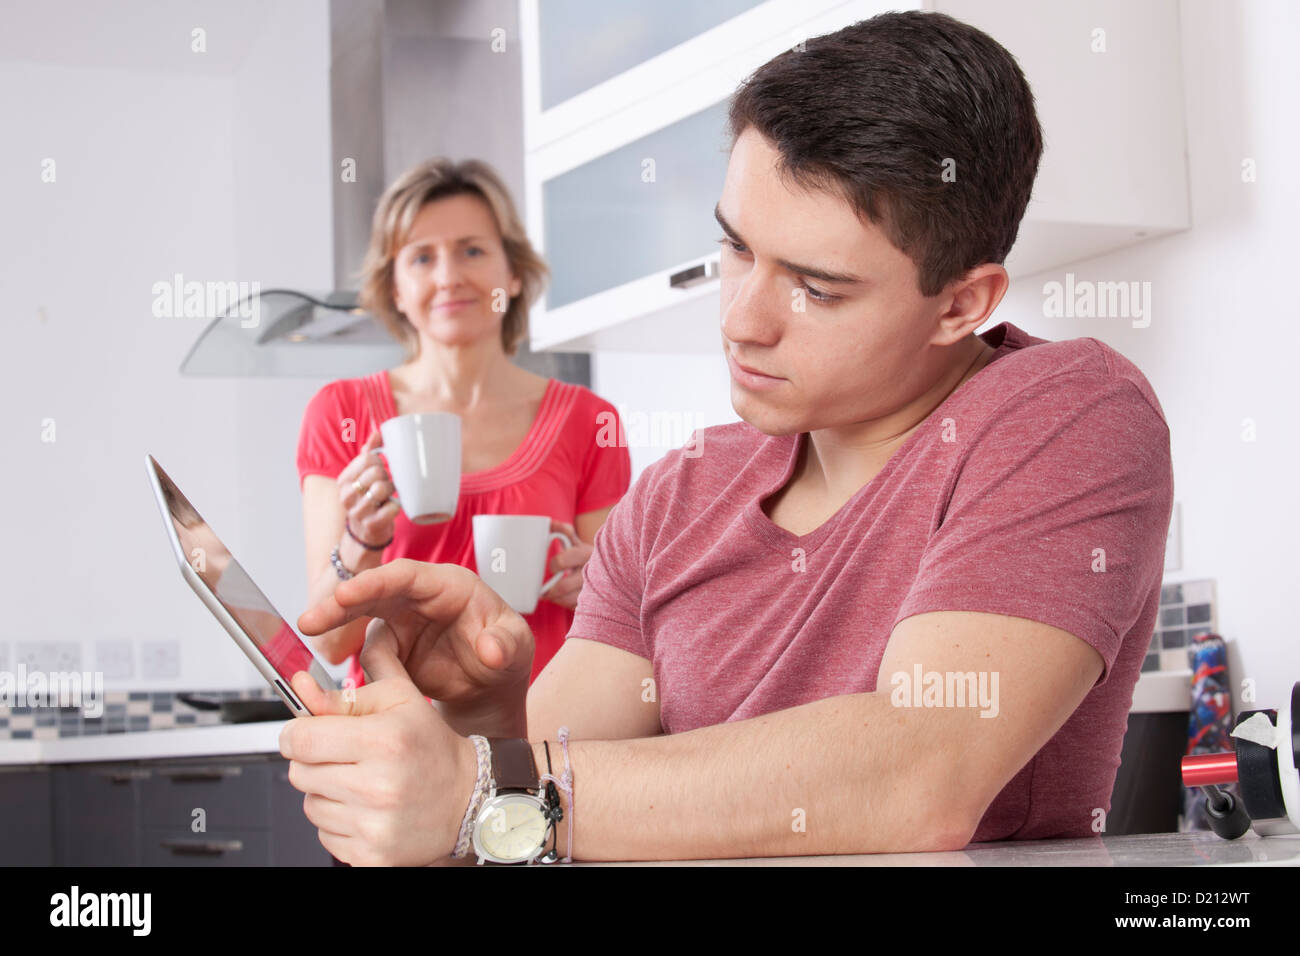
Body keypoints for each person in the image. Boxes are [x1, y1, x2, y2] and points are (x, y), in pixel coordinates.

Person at [280, 11, 1174, 865]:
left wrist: (482, 789)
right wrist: (483, 715)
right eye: (737, 251)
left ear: (962, 304)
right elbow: (525, 797)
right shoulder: (680, 492)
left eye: (815, 288)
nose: (743, 322)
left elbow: (920, 772)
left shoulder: (1067, 414)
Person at [296, 158, 631, 693]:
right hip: (401, 745)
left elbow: (618, 630)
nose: (449, 276)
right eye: (422, 257)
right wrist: (362, 538)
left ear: (513, 273)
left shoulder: (590, 421)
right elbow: (331, 643)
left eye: (472, 250)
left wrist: (597, 585)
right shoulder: (341, 414)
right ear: (397, 289)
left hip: (538, 745)